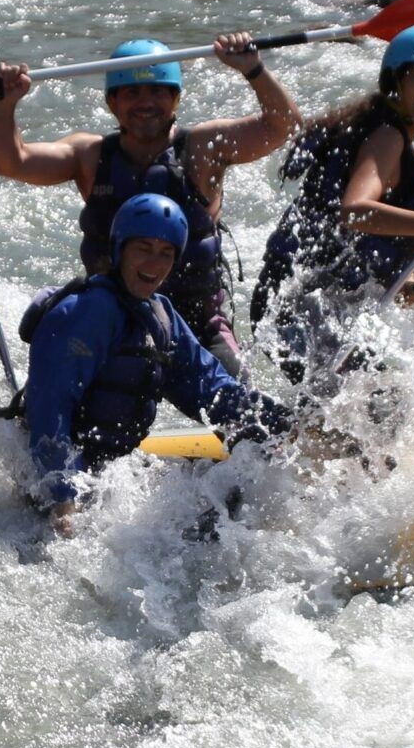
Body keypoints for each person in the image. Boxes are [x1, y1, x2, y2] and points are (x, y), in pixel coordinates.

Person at [0, 34, 298, 376]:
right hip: (116, 317)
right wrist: (7, 103)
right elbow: (11, 162)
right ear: (113, 103)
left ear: (175, 99)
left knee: (245, 410)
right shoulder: (89, 156)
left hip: (197, 322)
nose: (145, 103)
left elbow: (282, 126)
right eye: (132, 93)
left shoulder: (203, 149)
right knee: (55, 394)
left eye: (157, 91)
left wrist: (253, 70)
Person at [22, 194, 296, 535]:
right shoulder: (84, 313)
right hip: (55, 484)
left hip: (114, 479)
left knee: (236, 498)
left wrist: (282, 423)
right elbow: (49, 411)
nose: (154, 263)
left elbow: (210, 388)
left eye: (166, 252)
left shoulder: (161, 316)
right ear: (120, 248)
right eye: (143, 248)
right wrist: (65, 498)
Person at [251, 25, 414, 378]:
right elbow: (355, 212)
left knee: (383, 411)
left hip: (321, 307)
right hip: (301, 306)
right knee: (371, 414)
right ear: (395, 80)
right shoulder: (387, 136)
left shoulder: (396, 138)